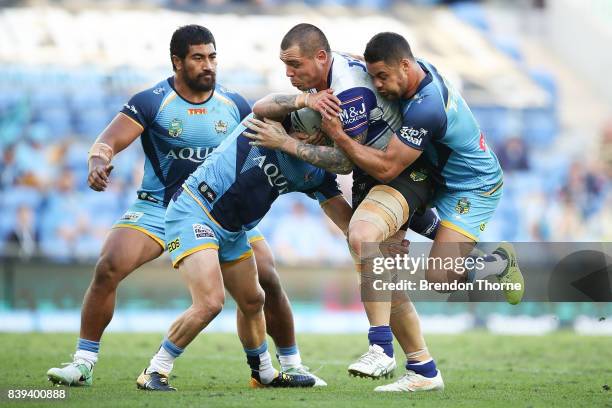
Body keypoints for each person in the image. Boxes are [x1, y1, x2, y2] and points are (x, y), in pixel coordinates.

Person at [47, 24, 324, 388]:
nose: (208, 65)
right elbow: (107, 141)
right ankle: (83, 362)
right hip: (159, 208)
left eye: (212, 57)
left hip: (222, 210)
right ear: (177, 61)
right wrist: (98, 161)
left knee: (267, 279)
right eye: (198, 58)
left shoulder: (235, 104)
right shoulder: (151, 101)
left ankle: (290, 364)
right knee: (109, 266)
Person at [312, 31, 525, 392]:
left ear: (406, 66)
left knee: (439, 276)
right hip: (433, 174)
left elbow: (385, 169)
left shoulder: (426, 107)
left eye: (382, 77)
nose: (378, 85)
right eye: (373, 76)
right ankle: (421, 371)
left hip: (471, 185)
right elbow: (361, 63)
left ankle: (497, 263)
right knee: (384, 264)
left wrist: (340, 136)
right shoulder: (410, 73)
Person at [246, 23, 444, 392]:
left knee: (363, 235)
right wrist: (303, 102)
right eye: (284, 65)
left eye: (294, 65)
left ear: (321, 58)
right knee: (383, 278)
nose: (288, 73)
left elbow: (344, 161)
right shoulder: (316, 91)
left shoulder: (349, 90)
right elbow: (260, 108)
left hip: (402, 171)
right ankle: (424, 369)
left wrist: (288, 144)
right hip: (377, 178)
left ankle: (380, 347)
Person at [138, 113, 354, 390]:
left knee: (253, 301)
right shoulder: (267, 124)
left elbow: (344, 219)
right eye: (321, 134)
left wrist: (370, 237)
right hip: (195, 211)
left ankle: (263, 373)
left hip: (233, 230)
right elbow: (268, 104)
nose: (324, 142)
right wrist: (306, 100)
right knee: (210, 302)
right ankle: (155, 370)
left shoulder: (317, 172)